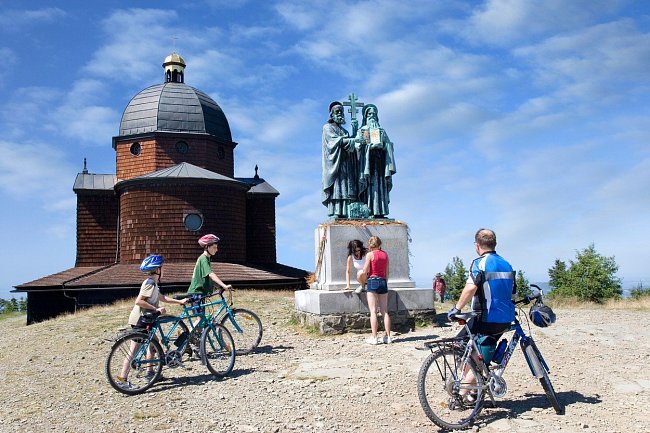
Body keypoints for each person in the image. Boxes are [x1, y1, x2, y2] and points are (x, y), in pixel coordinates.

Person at [447, 228, 515, 400]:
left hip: (485, 317)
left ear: (477, 246)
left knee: (470, 350)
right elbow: (512, 292)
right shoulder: (507, 264)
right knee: (473, 347)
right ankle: (474, 388)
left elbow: (471, 287)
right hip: (505, 317)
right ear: (495, 244)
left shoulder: (480, 263)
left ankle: (462, 392)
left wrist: (457, 308)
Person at [116, 254, 187, 388]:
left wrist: (179, 301)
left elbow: (162, 297)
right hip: (141, 321)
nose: (163, 269)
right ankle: (122, 379)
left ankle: (150, 372)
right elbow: (139, 301)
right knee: (134, 351)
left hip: (147, 320)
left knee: (154, 344)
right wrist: (156, 309)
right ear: (157, 270)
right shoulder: (149, 283)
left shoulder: (153, 283)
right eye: (162, 267)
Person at [356, 104, 396, 218]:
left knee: (380, 187)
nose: (372, 116)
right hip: (367, 163)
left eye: (374, 114)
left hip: (380, 162)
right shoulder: (362, 130)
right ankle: (369, 211)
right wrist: (369, 146)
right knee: (369, 187)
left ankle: (380, 211)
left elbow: (389, 146)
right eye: (369, 114)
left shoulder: (382, 131)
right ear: (365, 116)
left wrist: (384, 145)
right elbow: (357, 147)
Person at [322, 101, 361, 218]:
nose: (340, 114)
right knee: (337, 187)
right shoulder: (327, 127)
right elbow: (334, 141)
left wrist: (354, 134)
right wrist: (353, 140)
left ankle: (345, 211)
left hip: (345, 164)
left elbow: (350, 147)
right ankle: (336, 211)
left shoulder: (345, 131)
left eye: (341, 112)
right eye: (337, 112)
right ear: (331, 114)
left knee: (346, 187)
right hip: (334, 163)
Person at [361, 236, 392, 344]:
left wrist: (362, 279)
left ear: (370, 245)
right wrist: (385, 282)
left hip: (373, 281)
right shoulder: (385, 254)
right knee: (384, 311)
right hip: (383, 281)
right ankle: (388, 337)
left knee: (373, 311)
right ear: (380, 244)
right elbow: (387, 272)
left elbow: (365, 270)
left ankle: (374, 337)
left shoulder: (370, 255)